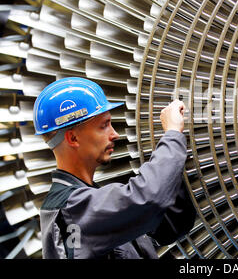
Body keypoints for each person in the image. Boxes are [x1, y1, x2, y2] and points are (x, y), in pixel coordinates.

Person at [34, 77, 196, 259]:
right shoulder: (72, 209)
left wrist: (171, 167)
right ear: (73, 139)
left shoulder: (90, 204)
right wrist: (172, 134)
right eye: (104, 126)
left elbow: (169, 228)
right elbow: (148, 198)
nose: (115, 134)